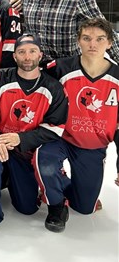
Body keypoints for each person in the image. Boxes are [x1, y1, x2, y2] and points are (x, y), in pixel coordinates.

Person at [35, 18, 119, 233]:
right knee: (44, 162)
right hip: (61, 138)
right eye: (87, 38)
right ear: (78, 41)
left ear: (110, 43)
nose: (93, 44)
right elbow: (31, 75)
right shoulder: (61, 67)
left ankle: (69, 185)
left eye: (100, 39)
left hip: (92, 147)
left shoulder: (117, 77)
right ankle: (55, 200)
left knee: (84, 208)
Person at [0, 34, 68, 230]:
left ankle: (29, 184)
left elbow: (55, 128)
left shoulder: (53, 88)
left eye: (32, 51)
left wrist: (21, 138)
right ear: (15, 56)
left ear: (40, 55)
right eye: (22, 52)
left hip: (24, 150)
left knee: (27, 208)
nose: (27, 57)